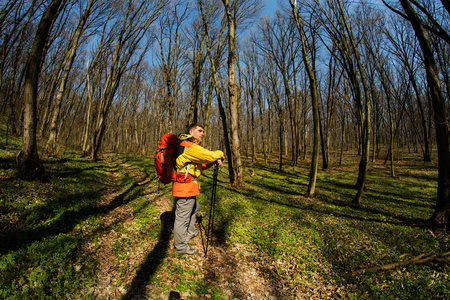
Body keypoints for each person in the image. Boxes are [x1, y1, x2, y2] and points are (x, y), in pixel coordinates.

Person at [172, 123, 224, 255]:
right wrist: (220, 154)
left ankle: (190, 233)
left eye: (203, 131)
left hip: (190, 187)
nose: (202, 133)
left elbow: (199, 165)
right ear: (191, 131)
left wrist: (212, 162)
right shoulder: (188, 146)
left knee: (196, 209)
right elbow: (209, 155)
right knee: (182, 218)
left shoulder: (189, 147)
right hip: (184, 188)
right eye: (199, 131)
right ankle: (180, 246)